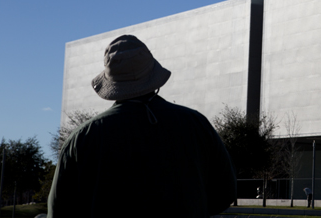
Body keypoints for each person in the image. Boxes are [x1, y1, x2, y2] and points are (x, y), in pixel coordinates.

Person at [48, 35, 236, 218]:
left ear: (111, 83)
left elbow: (60, 210)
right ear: (153, 75)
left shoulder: (83, 138)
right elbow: (224, 194)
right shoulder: (196, 124)